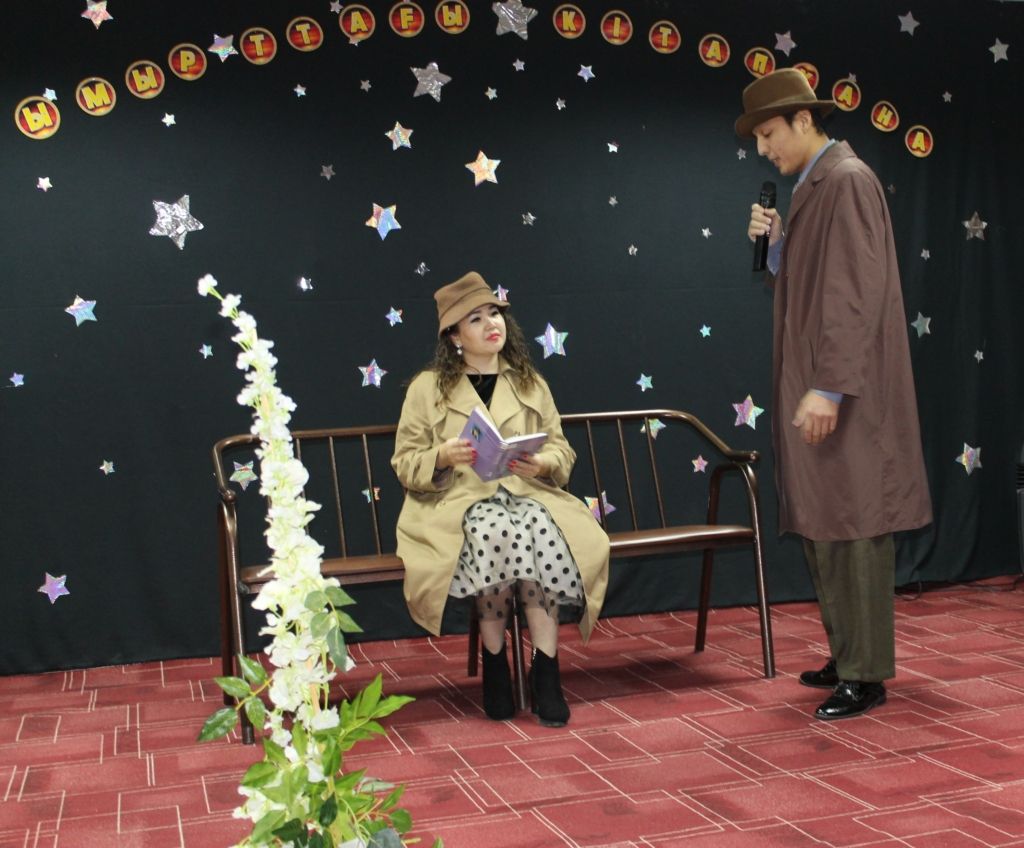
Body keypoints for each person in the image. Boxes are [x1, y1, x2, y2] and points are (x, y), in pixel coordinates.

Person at [736, 69, 932, 720]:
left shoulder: (845, 180)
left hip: (846, 391)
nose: (764, 148)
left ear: (803, 119)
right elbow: (810, 282)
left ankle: (866, 673)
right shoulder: (813, 186)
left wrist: (828, 387)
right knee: (826, 524)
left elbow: (854, 294)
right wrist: (773, 249)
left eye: (769, 133)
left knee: (855, 526)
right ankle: (847, 653)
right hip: (821, 385)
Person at [391, 271, 610, 726]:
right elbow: (405, 462)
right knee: (494, 529)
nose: (492, 323)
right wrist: (441, 457)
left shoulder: (530, 382)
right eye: (476, 318)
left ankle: (546, 668)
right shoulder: (426, 388)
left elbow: (561, 449)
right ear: (454, 336)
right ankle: (496, 662)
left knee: (540, 526)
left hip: (527, 494)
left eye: (495, 313)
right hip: (458, 502)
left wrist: (543, 464)